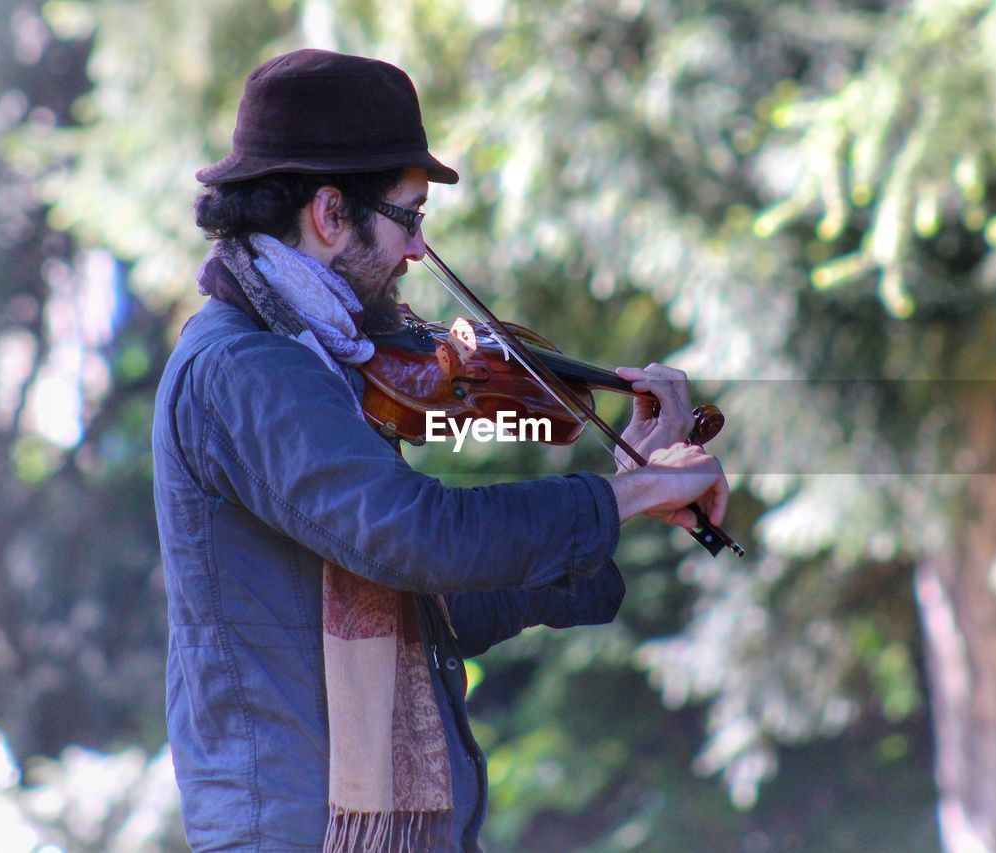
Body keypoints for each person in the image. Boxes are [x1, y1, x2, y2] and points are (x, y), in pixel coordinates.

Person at [153, 48, 728, 852]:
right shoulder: (246, 368)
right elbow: (413, 536)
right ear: (329, 213)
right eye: (410, 216)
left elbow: (434, 602)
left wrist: (623, 491)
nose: (419, 251)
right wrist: (624, 497)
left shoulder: (315, 357)